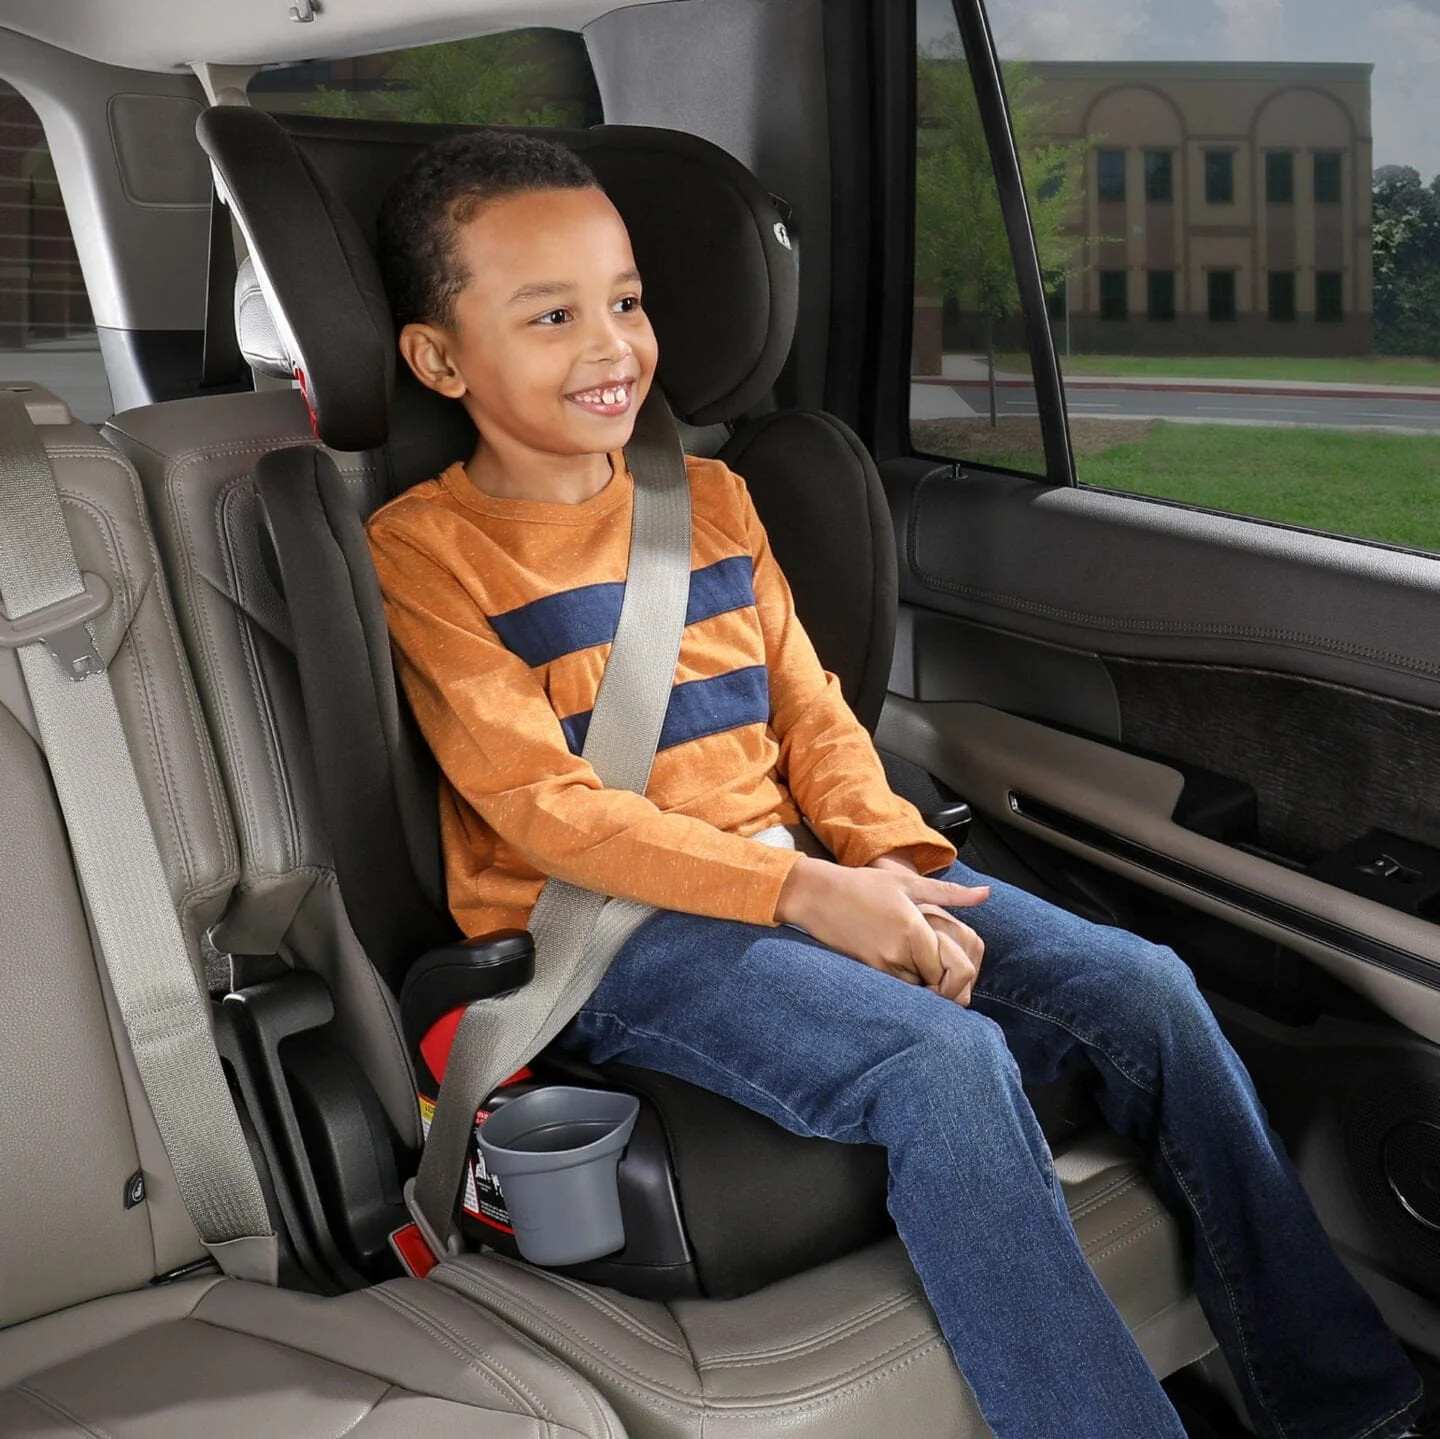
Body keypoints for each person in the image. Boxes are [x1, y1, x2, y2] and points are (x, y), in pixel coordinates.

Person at [365, 128, 1424, 1439]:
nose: (612, 346)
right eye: (552, 316)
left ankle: (1344, 1404)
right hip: (616, 932)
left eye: (626, 302)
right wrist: (811, 896)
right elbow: (548, 812)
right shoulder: (428, 550)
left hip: (804, 865)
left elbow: (814, 716)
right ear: (439, 360)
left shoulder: (711, 501)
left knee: (1148, 988)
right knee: (943, 1063)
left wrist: (887, 861)